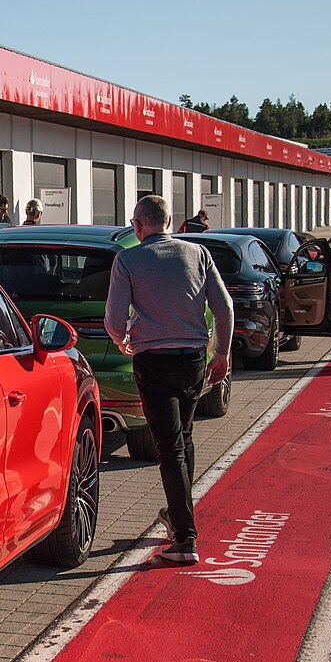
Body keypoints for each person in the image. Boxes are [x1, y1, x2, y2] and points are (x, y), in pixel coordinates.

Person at [104, 195, 232, 564]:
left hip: (153, 359)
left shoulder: (128, 259)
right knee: (184, 436)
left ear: (136, 226)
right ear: (172, 221)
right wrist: (221, 352)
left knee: (170, 447)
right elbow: (224, 307)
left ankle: (184, 539)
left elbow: (114, 318)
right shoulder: (197, 254)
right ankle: (178, 518)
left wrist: (121, 338)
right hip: (193, 357)